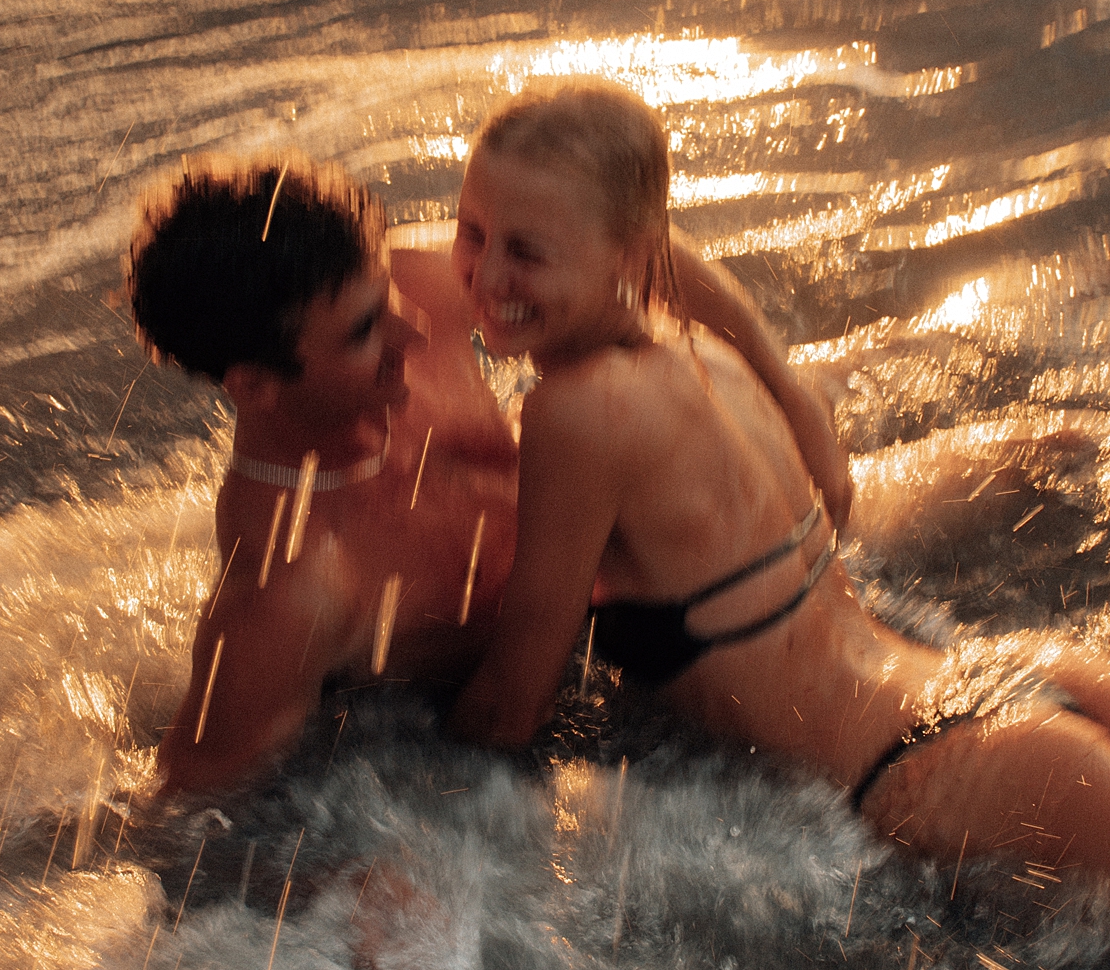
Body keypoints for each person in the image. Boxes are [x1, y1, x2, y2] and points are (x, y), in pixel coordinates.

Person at [447, 83, 1110, 880]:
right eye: (470, 233)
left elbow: (511, 706)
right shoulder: (703, 352)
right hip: (991, 683)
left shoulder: (576, 412)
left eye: (524, 250)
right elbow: (657, 243)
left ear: (627, 255)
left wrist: (395, 770)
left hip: (930, 773)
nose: (486, 278)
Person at [128, 153, 847, 795]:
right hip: (576, 715)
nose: (412, 332)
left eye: (386, 296)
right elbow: (185, 816)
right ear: (254, 384)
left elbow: (623, 252)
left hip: (689, 572)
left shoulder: (419, 282)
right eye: (363, 332)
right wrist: (344, 881)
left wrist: (792, 393)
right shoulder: (290, 594)